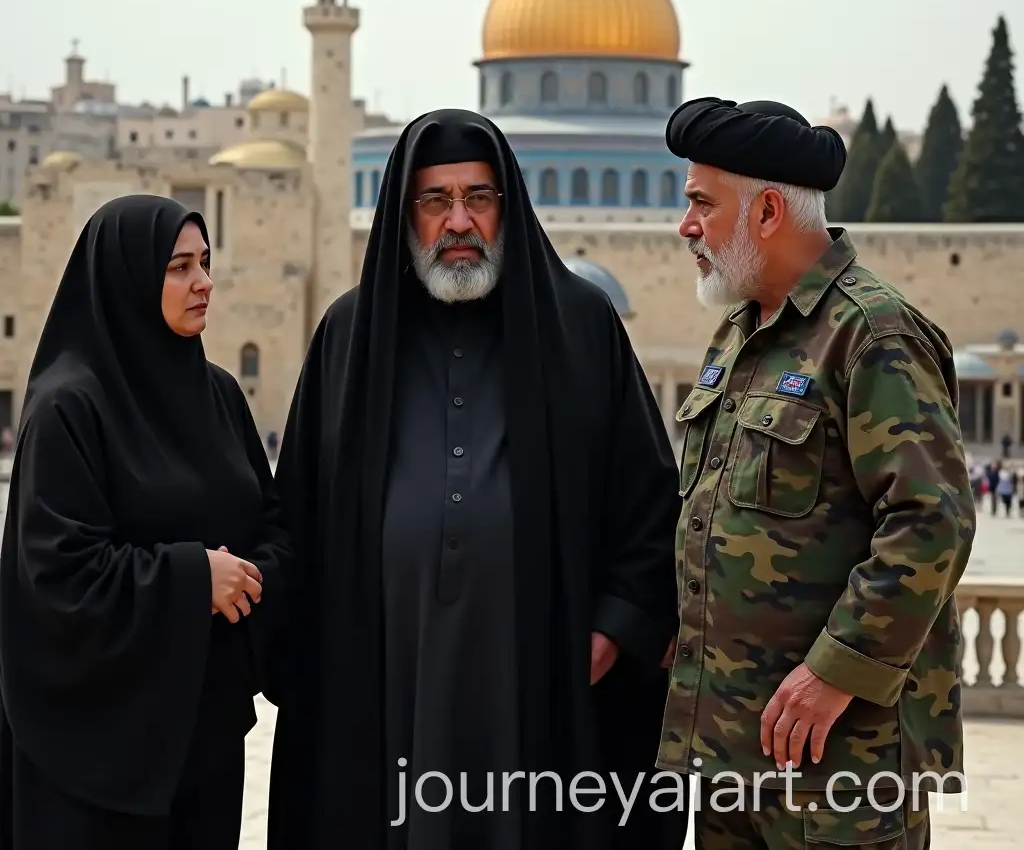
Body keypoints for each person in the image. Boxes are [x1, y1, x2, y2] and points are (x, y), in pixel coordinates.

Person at [264, 108, 687, 850]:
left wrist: (614, 629)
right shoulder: (349, 337)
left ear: (507, 206)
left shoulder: (580, 326)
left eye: (478, 198)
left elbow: (648, 503)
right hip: (384, 674)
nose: (458, 222)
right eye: (436, 200)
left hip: (542, 677)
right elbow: (295, 513)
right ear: (404, 213)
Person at [655, 97, 975, 849]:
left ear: (767, 211)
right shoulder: (742, 333)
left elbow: (931, 521)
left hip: (840, 770)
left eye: (703, 203)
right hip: (733, 756)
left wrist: (838, 669)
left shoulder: (872, 334)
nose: (686, 226)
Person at [0, 194, 292, 848]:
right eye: (179, 267)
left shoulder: (218, 394)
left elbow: (270, 524)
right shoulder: (68, 409)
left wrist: (253, 579)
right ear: (127, 278)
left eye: (206, 263)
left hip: (203, 741)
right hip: (94, 757)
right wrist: (194, 580)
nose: (204, 282)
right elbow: (58, 576)